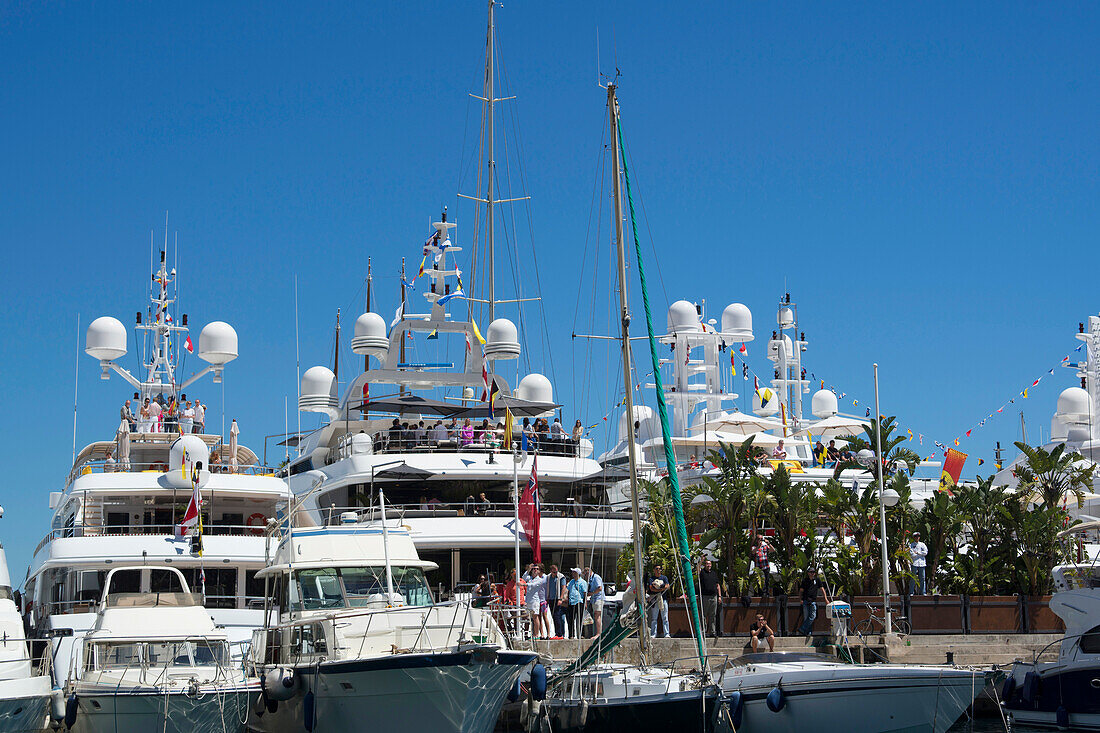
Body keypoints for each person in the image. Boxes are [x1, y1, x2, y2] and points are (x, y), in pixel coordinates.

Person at [697, 558, 723, 637]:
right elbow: (698, 569)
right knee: (703, 614)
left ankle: (712, 631)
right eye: (707, 564)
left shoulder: (714, 573)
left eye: (710, 564)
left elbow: (717, 585)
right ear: (705, 565)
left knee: (713, 615)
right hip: (705, 596)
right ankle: (703, 631)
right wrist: (701, 560)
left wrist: (719, 596)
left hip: (714, 596)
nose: (709, 565)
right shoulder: (702, 573)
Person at [645, 564, 671, 638]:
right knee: (654, 618)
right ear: (654, 570)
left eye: (660, 569)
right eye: (657, 569)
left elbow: (667, 586)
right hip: (655, 600)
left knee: (665, 617)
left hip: (663, 599)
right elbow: (651, 588)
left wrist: (659, 590)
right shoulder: (651, 579)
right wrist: (660, 590)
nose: (658, 570)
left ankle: (667, 633)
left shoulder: (664, 578)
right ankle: (653, 634)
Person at [798, 568, 825, 636]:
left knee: (812, 616)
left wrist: (826, 599)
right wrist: (800, 599)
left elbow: (822, 589)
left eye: (813, 572)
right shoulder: (805, 581)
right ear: (808, 573)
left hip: (813, 601)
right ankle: (808, 632)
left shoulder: (817, 580)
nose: (812, 573)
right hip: (805, 600)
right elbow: (801, 590)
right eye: (810, 572)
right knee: (806, 617)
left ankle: (802, 628)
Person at [523, 566, 548, 639]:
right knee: (528, 618)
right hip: (528, 600)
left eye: (537, 569)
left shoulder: (540, 580)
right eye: (534, 569)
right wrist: (528, 569)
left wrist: (525, 585)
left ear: (539, 571)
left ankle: (536, 634)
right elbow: (524, 577)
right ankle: (529, 634)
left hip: (535, 601)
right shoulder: (530, 578)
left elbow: (533, 585)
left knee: (535, 617)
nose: (535, 570)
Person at [566, 568, 588, 639]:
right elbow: (568, 591)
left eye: (574, 572)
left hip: (579, 601)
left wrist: (585, 603)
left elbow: (585, 593)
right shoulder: (571, 582)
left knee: (580, 619)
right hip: (571, 602)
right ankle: (571, 634)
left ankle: (581, 634)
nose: (573, 574)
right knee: (571, 619)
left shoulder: (582, 582)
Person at [583, 567, 605, 637]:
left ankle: (599, 633)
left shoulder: (596, 577)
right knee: (596, 616)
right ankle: (598, 632)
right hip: (594, 599)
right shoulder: (591, 579)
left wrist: (591, 593)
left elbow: (600, 588)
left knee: (597, 615)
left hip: (598, 598)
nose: (585, 577)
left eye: (585, 575)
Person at [546, 565, 565, 638]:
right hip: (551, 599)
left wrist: (560, 598)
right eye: (554, 572)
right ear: (551, 571)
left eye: (556, 571)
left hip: (557, 598)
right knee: (553, 616)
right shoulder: (548, 577)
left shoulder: (560, 577)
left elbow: (563, 587)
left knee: (557, 616)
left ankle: (559, 634)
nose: (556, 573)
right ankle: (556, 633)